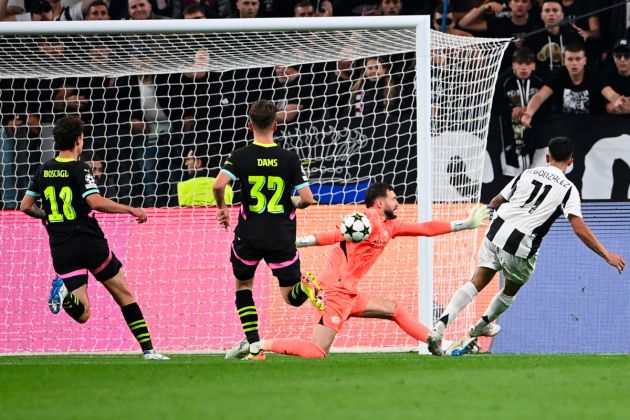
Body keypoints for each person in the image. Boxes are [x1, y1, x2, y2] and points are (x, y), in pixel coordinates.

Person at [225, 182, 489, 359]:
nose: (398, 203)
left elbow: (425, 229)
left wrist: (464, 224)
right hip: (334, 292)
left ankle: (437, 345)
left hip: (349, 292)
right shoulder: (364, 220)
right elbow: (334, 235)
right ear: (378, 202)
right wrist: (299, 241)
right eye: (394, 199)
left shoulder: (390, 226)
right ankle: (257, 344)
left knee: (394, 309)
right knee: (318, 351)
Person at [427, 137, 626, 356]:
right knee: (511, 289)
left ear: (547, 157)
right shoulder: (568, 189)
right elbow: (578, 228)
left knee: (477, 280)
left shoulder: (527, 174)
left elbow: (496, 201)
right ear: (570, 162)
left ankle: (441, 325)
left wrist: (485, 211)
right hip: (521, 243)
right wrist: (607, 255)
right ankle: (482, 325)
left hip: (496, 231)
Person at [19, 116, 169, 361]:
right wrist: (130, 209)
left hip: (61, 247)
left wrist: (46, 215)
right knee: (123, 294)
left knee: (83, 314)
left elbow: (25, 206)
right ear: (78, 140)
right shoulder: (80, 168)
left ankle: (64, 295)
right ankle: (149, 351)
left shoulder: (43, 169)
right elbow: (96, 202)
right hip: (88, 242)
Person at [213, 100, 323, 361]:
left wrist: (222, 208)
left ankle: (255, 348)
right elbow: (308, 198)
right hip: (281, 234)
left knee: (243, 285)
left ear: (249, 125)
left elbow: (219, 185)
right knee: (291, 297)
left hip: (250, 234)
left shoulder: (240, 155)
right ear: (276, 124)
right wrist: (292, 202)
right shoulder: (289, 158)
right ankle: (305, 287)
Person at [521, 43, 625, 126]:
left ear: (585, 60)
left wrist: (617, 100)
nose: (574, 63)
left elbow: (610, 93)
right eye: (570, 59)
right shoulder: (558, 75)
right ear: (564, 61)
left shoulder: (594, 75)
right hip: (565, 124)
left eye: (578, 59)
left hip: (591, 124)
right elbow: (540, 96)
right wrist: (529, 113)